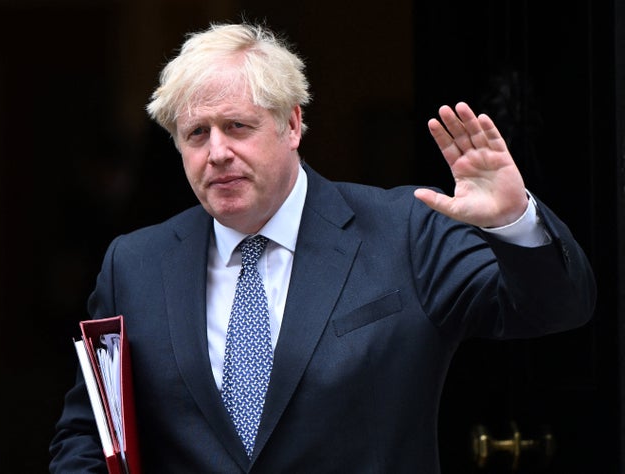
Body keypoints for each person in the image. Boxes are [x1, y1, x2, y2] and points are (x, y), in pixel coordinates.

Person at [49, 22, 596, 473]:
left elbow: (555, 309)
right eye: (197, 134)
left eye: (237, 126)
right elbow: (92, 434)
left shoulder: (405, 230)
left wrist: (513, 221)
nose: (217, 152)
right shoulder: (135, 264)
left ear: (291, 125)